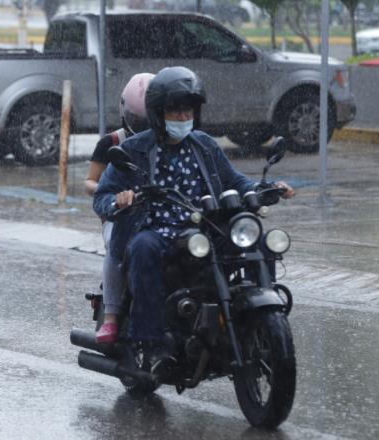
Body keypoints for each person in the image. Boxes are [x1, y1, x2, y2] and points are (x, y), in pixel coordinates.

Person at [93, 66, 294, 378]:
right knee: (143, 248)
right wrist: (119, 200)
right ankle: (153, 341)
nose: (182, 116)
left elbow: (236, 181)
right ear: (158, 113)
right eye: (175, 110)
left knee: (252, 236)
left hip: (203, 228)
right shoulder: (132, 150)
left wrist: (265, 189)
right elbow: (101, 196)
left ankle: (256, 317)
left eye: (187, 109)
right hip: (155, 229)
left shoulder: (204, 145)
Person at [85, 72, 155, 344]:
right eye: (140, 121)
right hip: (120, 213)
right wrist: (116, 194)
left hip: (158, 210)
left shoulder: (175, 144)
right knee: (117, 245)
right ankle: (112, 316)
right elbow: (91, 183)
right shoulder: (112, 143)